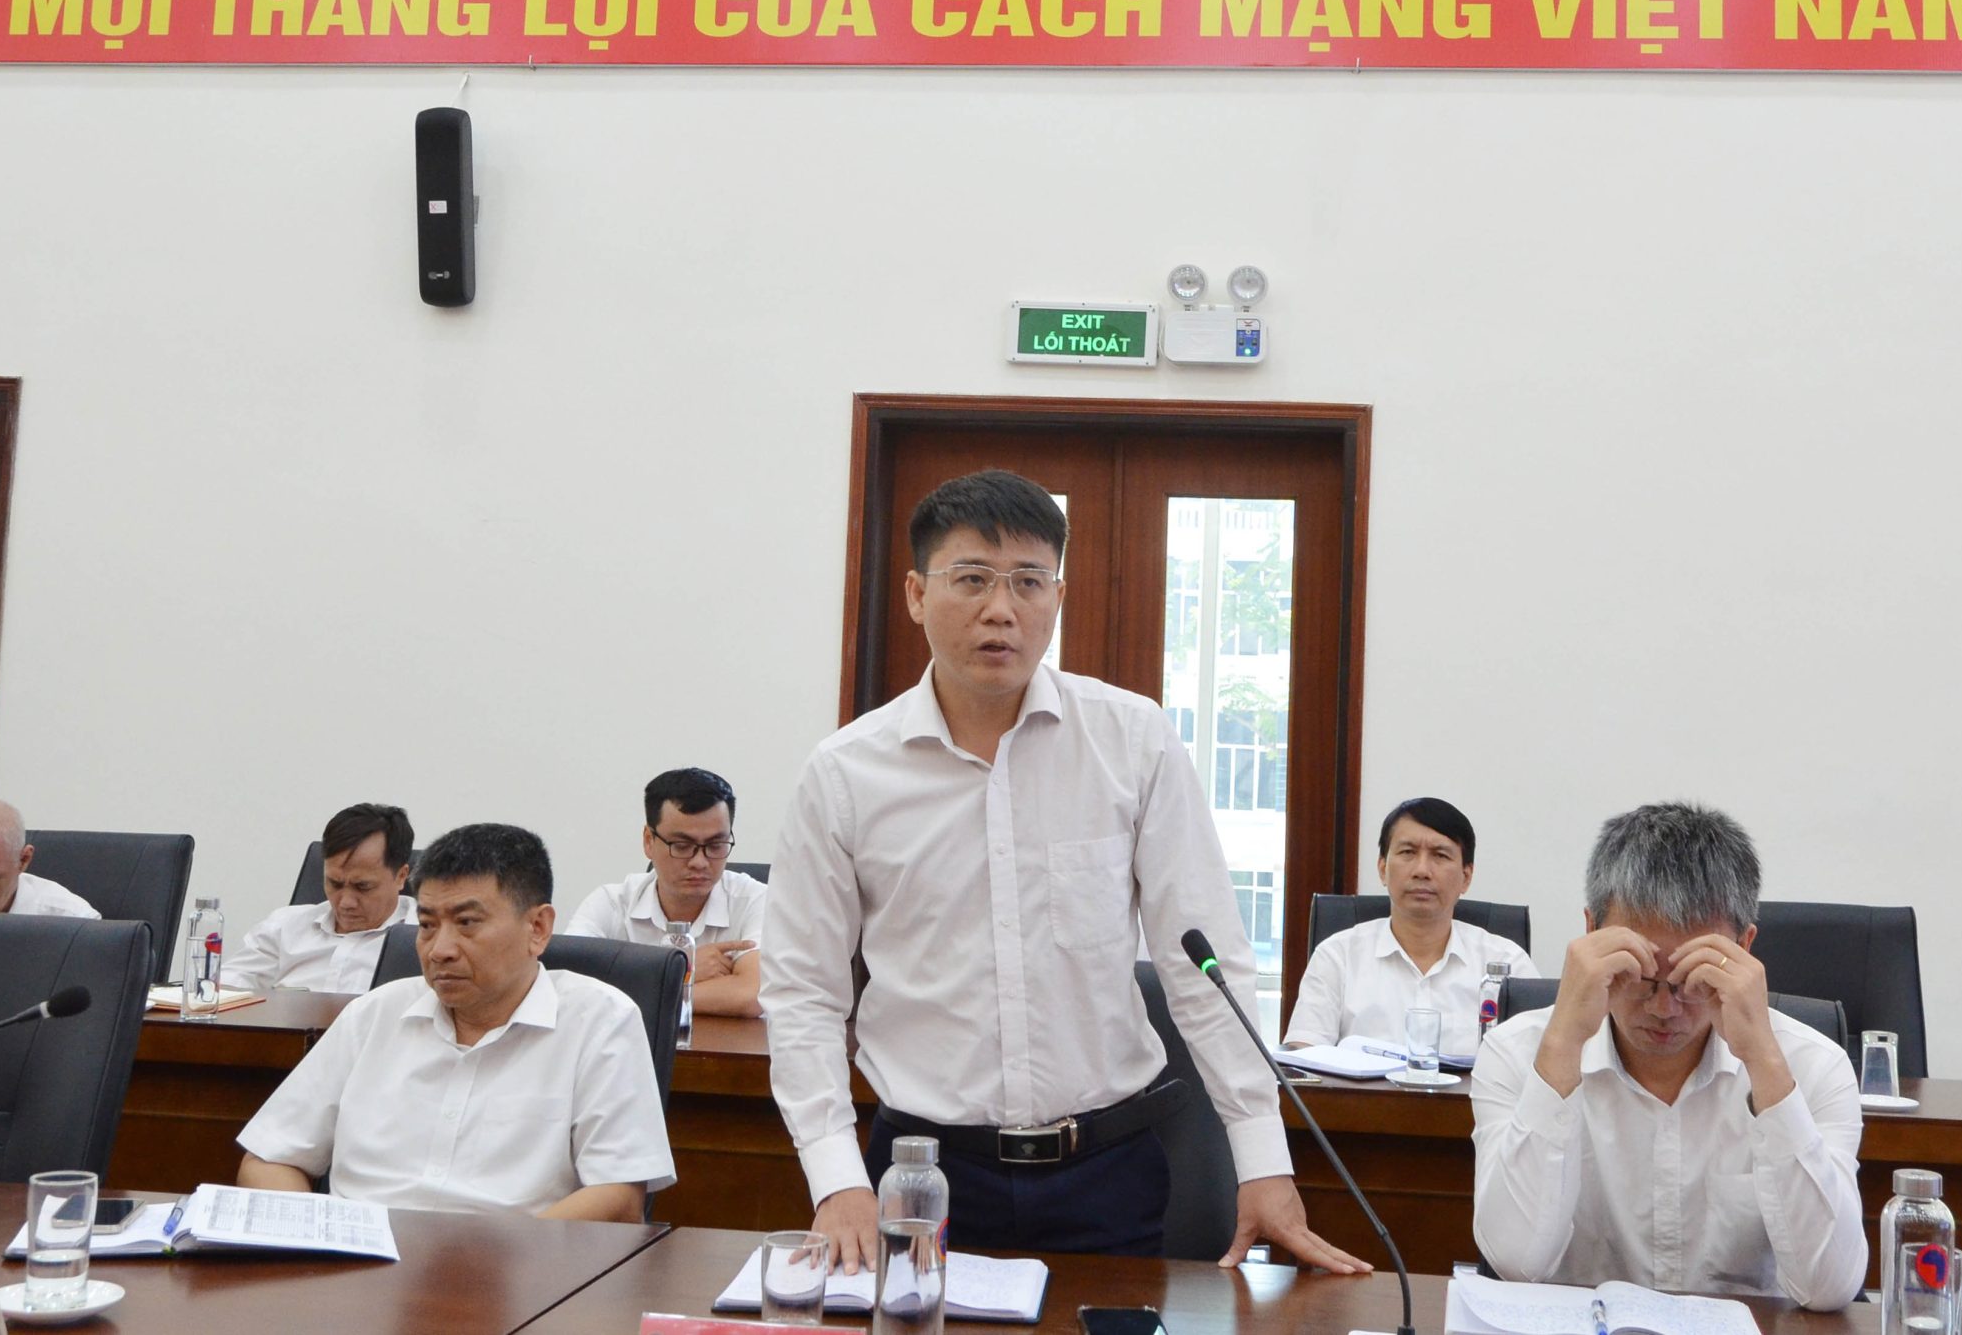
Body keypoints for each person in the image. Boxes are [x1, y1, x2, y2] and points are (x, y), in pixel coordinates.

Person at [763, 468, 1371, 1273]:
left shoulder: (1131, 740)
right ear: (915, 594)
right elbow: (804, 991)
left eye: (1028, 581)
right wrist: (837, 1178)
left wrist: (1262, 1157)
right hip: (922, 1175)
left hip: (1108, 1173)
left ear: (1058, 595)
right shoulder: (846, 773)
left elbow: (1206, 965)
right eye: (971, 579)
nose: (1001, 609)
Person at [1471, 801, 1865, 1309]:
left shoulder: (1813, 1066)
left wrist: (1765, 1063)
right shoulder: (1516, 1053)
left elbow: (1829, 1287)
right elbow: (1516, 1264)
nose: (1663, 1008)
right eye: (1638, 974)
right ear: (1591, 934)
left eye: (1690, 979)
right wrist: (1563, 1045)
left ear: (1744, 948)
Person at [234, 823, 675, 1220]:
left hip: (519, 1271)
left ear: (538, 928)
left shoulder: (600, 1021)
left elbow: (618, 1195)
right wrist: (315, 1233)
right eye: (427, 926)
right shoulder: (373, 1014)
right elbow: (269, 1159)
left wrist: (502, 1263)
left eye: (466, 923)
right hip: (357, 1265)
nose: (439, 950)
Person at [1282, 796, 1536, 1061]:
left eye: (1440, 855)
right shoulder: (1338, 956)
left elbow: (1536, 1061)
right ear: (1383, 868)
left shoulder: (1508, 962)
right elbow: (1304, 1056)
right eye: (1407, 853)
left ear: (1466, 877)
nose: (1422, 870)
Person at [564, 767, 767, 1017]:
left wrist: (642, 985)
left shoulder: (756, 900)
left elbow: (750, 995)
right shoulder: (610, 903)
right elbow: (569, 986)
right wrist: (679, 970)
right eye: (682, 846)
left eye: (716, 845)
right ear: (649, 841)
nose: (700, 862)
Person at [221, 803, 418, 994]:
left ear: (401, 876)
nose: (346, 903)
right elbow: (223, 990)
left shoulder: (423, 938)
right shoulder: (284, 927)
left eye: (362, 887)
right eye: (335, 884)